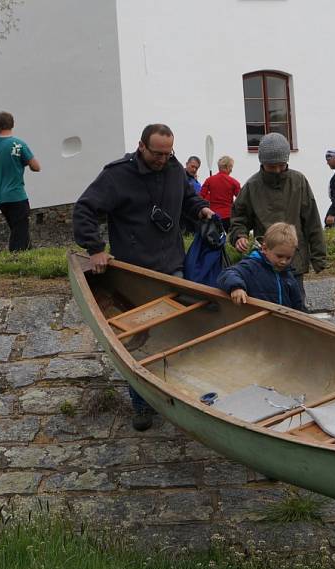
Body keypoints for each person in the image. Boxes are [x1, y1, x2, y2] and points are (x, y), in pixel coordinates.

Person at [73, 123, 214, 431]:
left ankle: (176, 399)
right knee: (139, 344)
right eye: (156, 153)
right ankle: (142, 406)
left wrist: (201, 209)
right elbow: (84, 209)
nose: (162, 159)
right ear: (141, 146)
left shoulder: (176, 169)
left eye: (168, 153)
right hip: (134, 274)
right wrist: (96, 248)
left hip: (172, 268)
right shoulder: (117, 175)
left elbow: (186, 200)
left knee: (177, 336)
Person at [228, 132, 326, 301]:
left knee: (296, 306)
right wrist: (239, 236)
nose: (277, 170)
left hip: (293, 259)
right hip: (265, 260)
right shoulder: (252, 186)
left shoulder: (298, 181)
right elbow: (239, 218)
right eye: (271, 166)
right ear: (262, 163)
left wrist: (319, 257)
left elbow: (312, 220)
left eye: (281, 165)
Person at [217, 222, 305, 311]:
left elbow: (297, 304)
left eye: (288, 258)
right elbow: (227, 273)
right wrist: (236, 287)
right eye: (279, 256)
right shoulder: (251, 266)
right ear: (264, 249)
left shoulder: (288, 275)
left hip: (281, 322)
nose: (284, 262)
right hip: (257, 321)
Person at [0, 111, 41, 251]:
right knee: (19, 233)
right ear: (13, 124)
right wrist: (19, 163)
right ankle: (16, 262)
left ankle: (30, 257)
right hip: (17, 195)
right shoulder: (18, 144)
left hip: (0, 198)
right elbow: (36, 167)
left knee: (19, 229)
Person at [200, 155, 241, 231]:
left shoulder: (209, 180)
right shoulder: (234, 182)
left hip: (213, 215)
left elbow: (200, 197)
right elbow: (241, 200)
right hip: (228, 216)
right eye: (231, 167)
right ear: (226, 167)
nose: (231, 170)